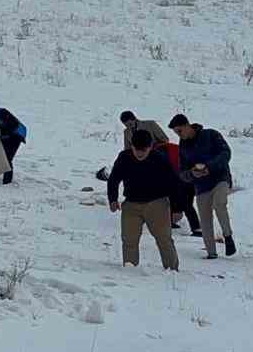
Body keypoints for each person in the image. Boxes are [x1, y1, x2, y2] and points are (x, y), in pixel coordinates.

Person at [106, 129, 181, 270]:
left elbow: (173, 183)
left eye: (143, 150)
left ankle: (172, 270)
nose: (140, 153)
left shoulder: (159, 158)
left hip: (157, 204)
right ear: (132, 146)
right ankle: (130, 269)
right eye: (136, 149)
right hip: (131, 205)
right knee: (129, 239)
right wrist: (113, 199)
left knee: (164, 239)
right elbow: (114, 179)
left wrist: (177, 208)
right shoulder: (124, 157)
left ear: (150, 147)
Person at [170, 113, 235, 259]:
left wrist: (209, 167)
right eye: (176, 133)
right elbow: (182, 172)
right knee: (205, 218)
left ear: (187, 126)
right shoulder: (183, 146)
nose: (179, 135)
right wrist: (192, 174)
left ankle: (228, 236)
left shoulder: (211, 134)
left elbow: (226, 153)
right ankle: (211, 253)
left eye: (179, 131)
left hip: (220, 178)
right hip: (201, 185)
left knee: (220, 204)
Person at [96, 111, 168, 181]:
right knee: (124, 156)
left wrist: (151, 148)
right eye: (126, 125)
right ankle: (111, 174)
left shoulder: (150, 124)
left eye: (130, 124)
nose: (129, 127)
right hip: (138, 155)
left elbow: (165, 139)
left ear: (134, 119)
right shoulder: (126, 132)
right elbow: (127, 148)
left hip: (155, 152)